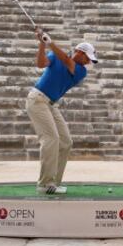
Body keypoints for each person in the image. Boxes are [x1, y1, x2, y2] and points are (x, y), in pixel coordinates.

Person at [26, 27, 98, 195]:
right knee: (51, 138)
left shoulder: (81, 71)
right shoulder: (57, 56)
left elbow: (66, 60)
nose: (89, 62)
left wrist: (50, 42)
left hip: (51, 104)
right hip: (37, 100)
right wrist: (42, 44)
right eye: (88, 58)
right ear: (80, 52)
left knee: (66, 142)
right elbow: (40, 64)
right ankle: (44, 184)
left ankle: (54, 183)